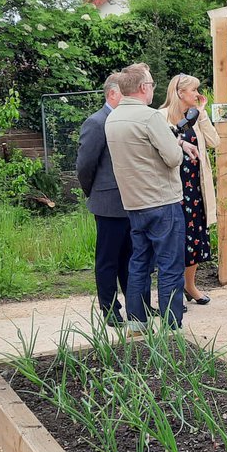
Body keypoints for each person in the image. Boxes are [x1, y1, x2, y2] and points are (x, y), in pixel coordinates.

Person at [104, 64, 199, 332]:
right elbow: (172, 158)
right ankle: (172, 324)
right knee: (170, 265)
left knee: (139, 262)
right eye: (152, 85)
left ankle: (137, 321)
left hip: (134, 203)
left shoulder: (113, 119)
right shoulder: (149, 117)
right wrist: (179, 147)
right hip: (162, 201)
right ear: (144, 88)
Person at [75, 73, 143, 325]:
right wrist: (93, 192)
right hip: (107, 203)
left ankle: (137, 306)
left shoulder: (126, 120)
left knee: (131, 257)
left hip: (132, 202)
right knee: (107, 259)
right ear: (112, 94)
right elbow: (84, 165)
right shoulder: (96, 122)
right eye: (123, 94)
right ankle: (110, 309)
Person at [158, 73, 219, 306]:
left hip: (195, 189)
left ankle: (189, 286)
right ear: (180, 93)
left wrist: (202, 114)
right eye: (193, 90)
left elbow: (215, 142)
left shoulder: (196, 116)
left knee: (195, 239)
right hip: (172, 188)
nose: (197, 94)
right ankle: (174, 290)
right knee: (175, 240)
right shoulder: (161, 116)